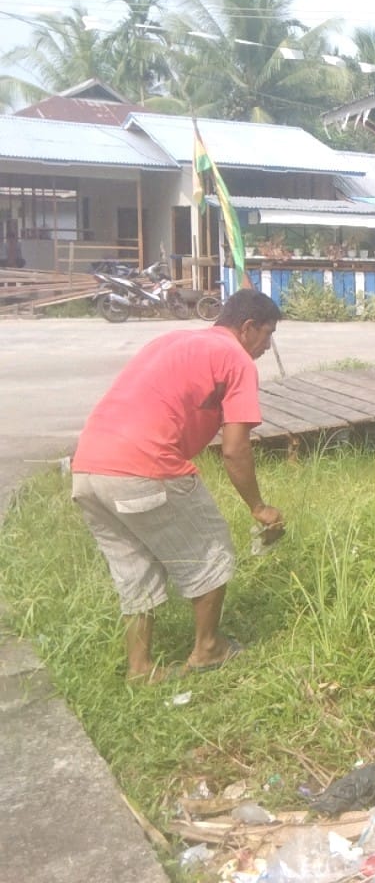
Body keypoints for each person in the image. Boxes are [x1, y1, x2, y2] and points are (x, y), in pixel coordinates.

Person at [70, 289, 285, 682]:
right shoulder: (236, 359)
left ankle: (139, 668)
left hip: (87, 468)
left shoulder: (175, 340)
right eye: (267, 335)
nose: (267, 347)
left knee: (135, 566)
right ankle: (208, 649)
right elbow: (235, 450)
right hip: (143, 465)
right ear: (248, 327)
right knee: (212, 549)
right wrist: (258, 507)